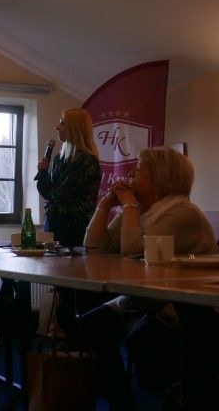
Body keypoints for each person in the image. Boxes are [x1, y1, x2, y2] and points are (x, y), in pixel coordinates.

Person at [80, 146, 218, 410]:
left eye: (140, 168)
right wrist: (105, 204)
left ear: (159, 176)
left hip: (184, 307)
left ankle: (176, 394)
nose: (132, 173)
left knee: (144, 340)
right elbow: (95, 247)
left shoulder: (183, 212)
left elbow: (134, 250)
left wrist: (129, 204)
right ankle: (123, 402)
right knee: (93, 323)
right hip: (147, 297)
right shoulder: (142, 210)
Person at [34, 107, 102, 336]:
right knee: (61, 287)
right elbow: (48, 192)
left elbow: (59, 195)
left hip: (75, 230)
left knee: (74, 289)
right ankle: (67, 337)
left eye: (62, 123)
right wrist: (43, 173)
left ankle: (78, 339)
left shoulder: (87, 161)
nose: (57, 127)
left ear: (73, 127)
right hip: (55, 226)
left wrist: (48, 185)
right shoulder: (60, 159)